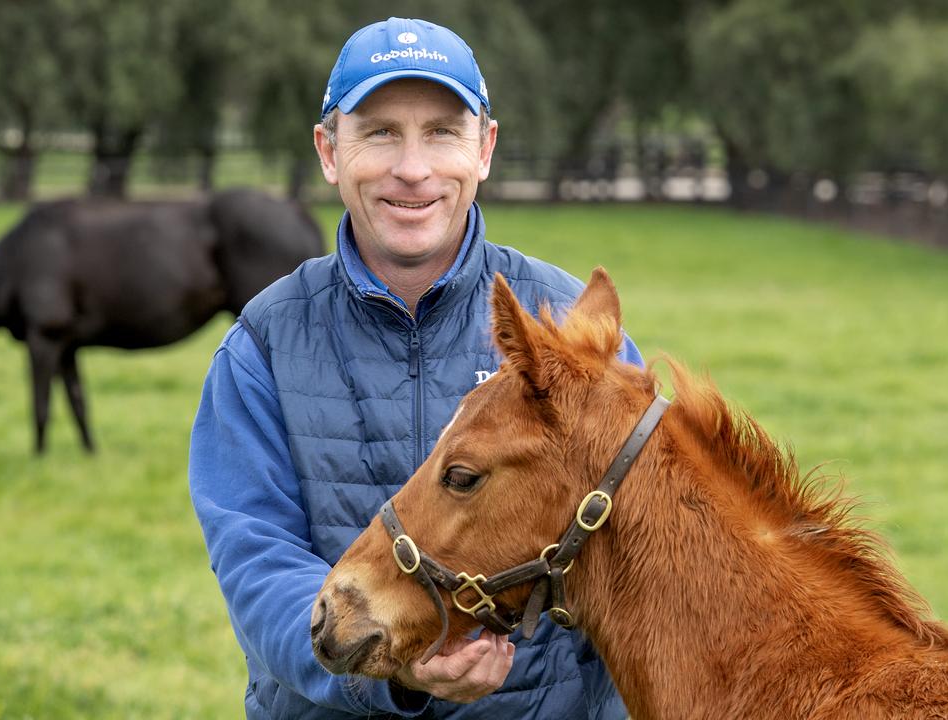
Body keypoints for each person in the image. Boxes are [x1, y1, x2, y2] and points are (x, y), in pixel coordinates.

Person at [188, 17, 640, 720]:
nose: (413, 168)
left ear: (484, 148)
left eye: (441, 131)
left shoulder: (567, 331)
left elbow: (641, 570)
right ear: (329, 150)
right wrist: (390, 671)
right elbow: (258, 564)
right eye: (379, 133)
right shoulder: (262, 347)